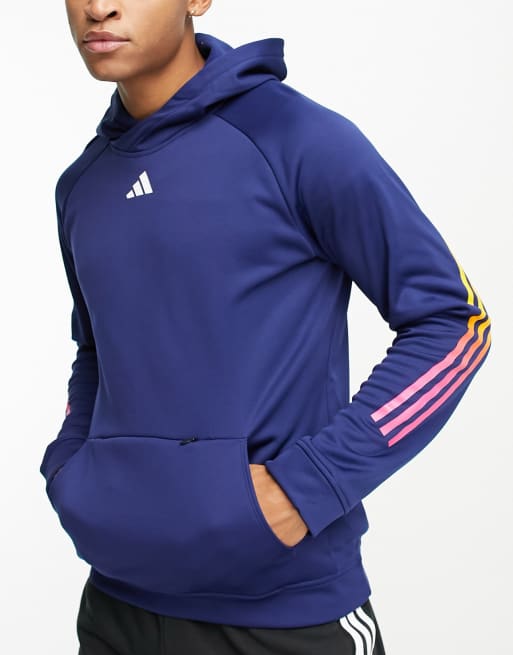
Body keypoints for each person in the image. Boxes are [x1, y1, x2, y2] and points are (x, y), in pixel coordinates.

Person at [39, 1, 491, 653]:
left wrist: (310, 483)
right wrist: (71, 467)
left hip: (284, 617)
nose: (98, 6)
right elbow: (96, 350)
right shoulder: (82, 185)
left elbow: (453, 322)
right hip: (117, 607)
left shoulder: (296, 140)